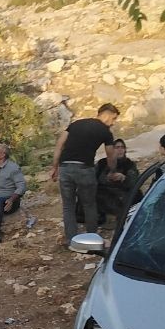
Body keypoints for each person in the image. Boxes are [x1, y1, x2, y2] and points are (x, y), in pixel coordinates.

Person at [51, 103, 118, 241]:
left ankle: (71, 239)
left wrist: (54, 167)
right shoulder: (105, 132)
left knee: (68, 206)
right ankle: (91, 238)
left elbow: (59, 144)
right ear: (107, 114)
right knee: (89, 204)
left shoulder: (76, 124)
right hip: (84, 169)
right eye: (114, 118)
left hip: (65, 167)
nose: (113, 122)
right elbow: (110, 155)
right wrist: (112, 170)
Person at [94, 138, 139, 231]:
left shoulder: (129, 164)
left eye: (122, 147)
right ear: (112, 150)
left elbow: (134, 181)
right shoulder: (102, 163)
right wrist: (108, 178)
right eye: (117, 147)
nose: (120, 150)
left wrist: (123, 178)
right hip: (105, 193)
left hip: (123, 192)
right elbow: (95, 179)